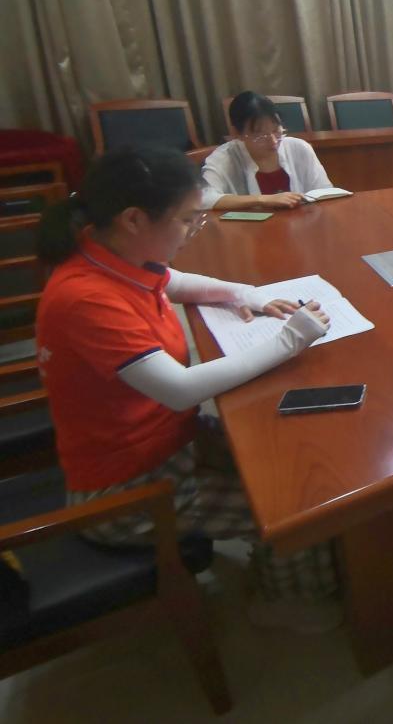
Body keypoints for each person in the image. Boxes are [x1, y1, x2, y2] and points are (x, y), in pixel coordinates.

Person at [35, 147, 341, 633]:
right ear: (134, 219)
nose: (193, 229)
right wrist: (289, 340)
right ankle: (289, 602)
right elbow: (179, 389)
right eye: (186, 220)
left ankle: (325, 562)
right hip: (126, 490)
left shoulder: (112, 251)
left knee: (285, 454)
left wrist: (245, 294)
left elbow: (175, 282)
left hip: (167, 439)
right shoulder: (86, 298)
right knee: (292, 501)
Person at [201, 91, 333, 211]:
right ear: (237, 133)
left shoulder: (299, 148)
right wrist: (262, 199)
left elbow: (326, 192)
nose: (273, 141)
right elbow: (203, 199)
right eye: (260, 136)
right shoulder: (223, 158)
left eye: (276, 130)